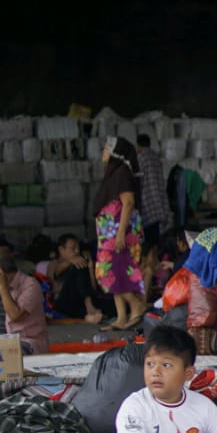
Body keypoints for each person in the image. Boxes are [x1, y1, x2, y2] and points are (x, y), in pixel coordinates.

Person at [92, 136, 146, 331]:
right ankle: (121, 317)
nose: (103, 152)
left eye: (106, 148)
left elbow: (128, 202)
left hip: (118, 232)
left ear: (116, 153)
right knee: (115, 272)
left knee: (109, 272)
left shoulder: (122, 173)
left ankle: (136, 305)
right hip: (110, 233)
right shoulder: (114, 174)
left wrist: (121, 233)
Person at [0, 248, 50, 354]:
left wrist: (3, 288)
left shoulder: (30, 285)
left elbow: (14, 315)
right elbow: (1, 322)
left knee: (7, 356)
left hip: (25, 342)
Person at [47, 234, 105, 323]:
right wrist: (71, 261)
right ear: (61, 250)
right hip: (63, 303)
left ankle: (90, 312)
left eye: (78, 248)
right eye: (73, 248)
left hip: (80, 302)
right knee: (77, 267)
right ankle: (89, 307)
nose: (77, 251)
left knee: (111, 305)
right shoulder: (53, 264)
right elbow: (57, 272)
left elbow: (93, 288)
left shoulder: (80, 262)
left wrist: (90, 267)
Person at [134, 134, 171, 248]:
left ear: (138, 145)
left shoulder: (140, 158)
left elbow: (138, 181)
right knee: (155, 235)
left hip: (147, 201)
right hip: (158, 200)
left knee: (148, 237)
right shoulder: (156, 157)